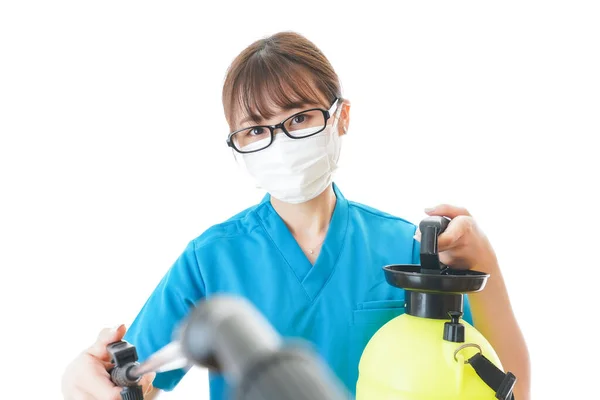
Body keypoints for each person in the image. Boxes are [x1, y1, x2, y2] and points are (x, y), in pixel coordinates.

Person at [61, 31, 530, 400]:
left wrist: (486, 262)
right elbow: (137, 381)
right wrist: (84, 379)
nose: (280, 142)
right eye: (254, 130)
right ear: (237, 147)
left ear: (341, 117)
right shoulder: (211, 260)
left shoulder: (404, 249)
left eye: (298, 118)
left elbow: (507, 387)